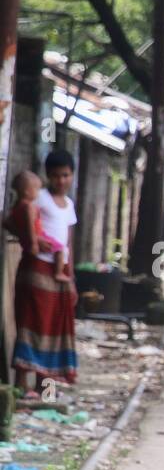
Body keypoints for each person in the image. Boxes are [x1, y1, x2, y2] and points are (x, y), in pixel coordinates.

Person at [10, 150, 80, 395]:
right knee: (30, 324)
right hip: (36, 270)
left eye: (65, 175)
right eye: (56, 176)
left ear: (72, 175)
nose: (61, 181)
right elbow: (14, 218)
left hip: (59, 273)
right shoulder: (36, 197)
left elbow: (68, 243)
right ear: (48, 176)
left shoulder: (69, 205)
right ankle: (20, 386)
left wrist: (70, 279)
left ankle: (45, 389)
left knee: (53, 328)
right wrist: (35, 240)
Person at [6, 171, 67, 282]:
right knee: (60, 248)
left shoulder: (16, 206)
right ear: (27, 191)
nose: (38, 194)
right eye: (36, 190)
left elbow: (9, 223)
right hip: (38, 236)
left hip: (26, 239)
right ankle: (59, 273)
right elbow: (30, 226)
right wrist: (34, 243)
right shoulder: (29, 207)